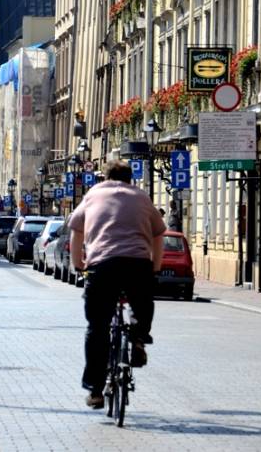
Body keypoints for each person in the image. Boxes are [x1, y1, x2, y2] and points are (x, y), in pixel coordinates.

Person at [69, 159, 165, 410]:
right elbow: (158, 233)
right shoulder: (142, 197)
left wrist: (78, 263)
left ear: (104, 177)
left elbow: (76, 230)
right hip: (137, 264)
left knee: (97, 328)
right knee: (143, 303)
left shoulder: (93, 194)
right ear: (129, 178)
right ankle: (138, 337)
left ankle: (96, 390)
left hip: (103, 266)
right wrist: (154, 267)